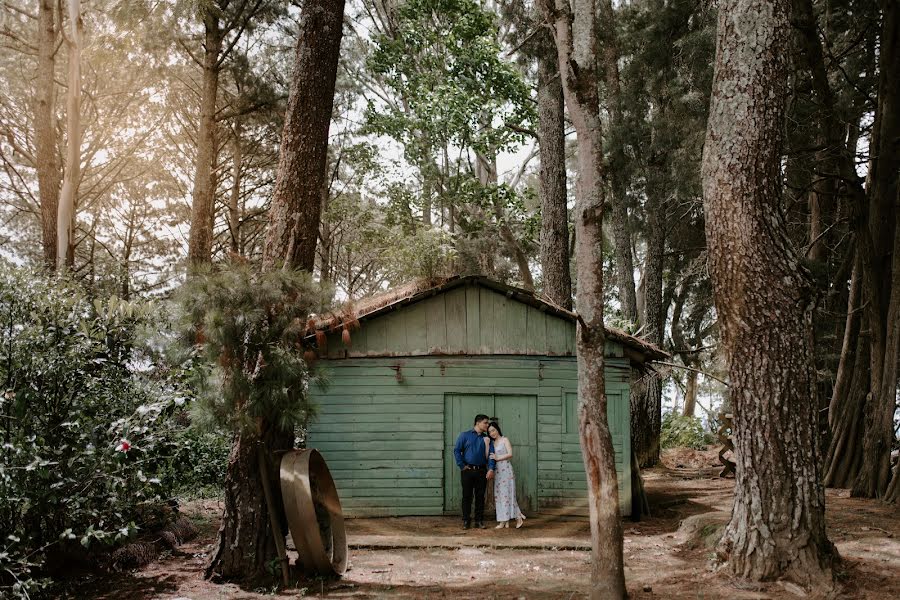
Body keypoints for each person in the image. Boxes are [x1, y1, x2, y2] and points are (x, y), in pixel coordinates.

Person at [453, 414, 495, 529]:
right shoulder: (465, 435)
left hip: (482, 471)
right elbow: (457, 450)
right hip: (467, 471)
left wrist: (491, 468)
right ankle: (466, 520)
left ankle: (479, 521)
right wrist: (461, 465)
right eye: (485, 423)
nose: (487, 425)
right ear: (478, 423)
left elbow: (491, 455)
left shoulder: (487, 439)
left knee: (480, 497)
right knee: (467, 496)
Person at [487, 421, 526, 529]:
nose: (492, 433)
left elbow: (510, 454)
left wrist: (497, 458)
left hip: (506, 470)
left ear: (497, 429)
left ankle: (517, 517)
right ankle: (504, 520)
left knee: (508, 495)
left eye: (493, 430)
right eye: (489, 432)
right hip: (497, 471)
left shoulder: (505, 439)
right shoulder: (492, 443)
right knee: (499, 495)